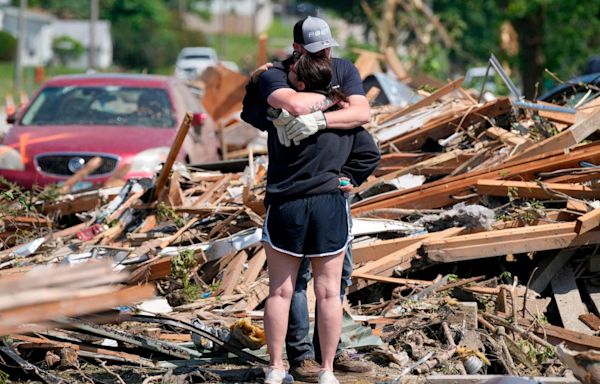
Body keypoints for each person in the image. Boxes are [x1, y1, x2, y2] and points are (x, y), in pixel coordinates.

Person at [250, 17, 379, 384]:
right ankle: (313, 365)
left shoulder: (340, 71)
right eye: (318, 49)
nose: (326, 54)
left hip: (293, 200)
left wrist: (320, 118)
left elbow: (360, 113)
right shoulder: (277, 75)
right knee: (317, 290)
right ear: (297, 50)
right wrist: (335, 106)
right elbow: (290, 102)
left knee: (291, 288)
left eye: (327, 48)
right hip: (322, 201)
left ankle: (287, 366)